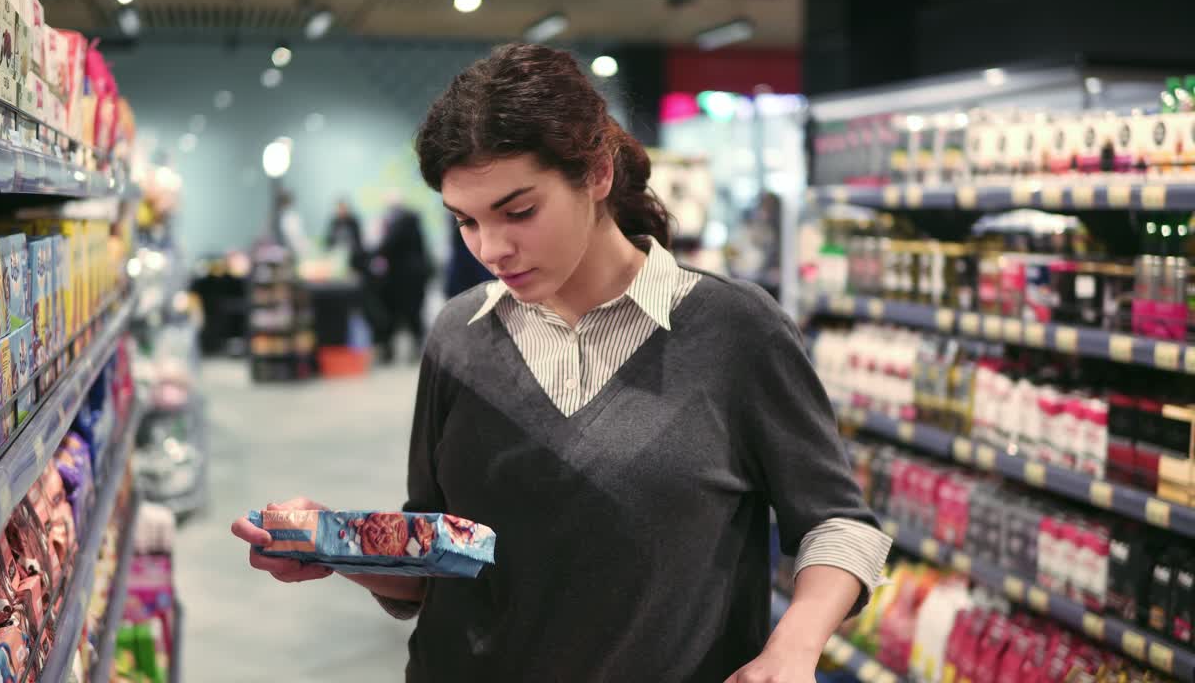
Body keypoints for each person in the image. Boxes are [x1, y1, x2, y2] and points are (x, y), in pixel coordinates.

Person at [232, 43, 891, 683]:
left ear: (597, 174)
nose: (492, 248)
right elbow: (444, 549)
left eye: (519, 212)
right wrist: (337, 542)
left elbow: (839, 525)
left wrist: (794, 647)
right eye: (465, 221)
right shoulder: (459, 335)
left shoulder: (733, 329)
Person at [369, 193, 431, 363]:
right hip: (410, 276)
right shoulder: (411, 220)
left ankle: (415, 349)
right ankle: (415, 348)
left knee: (409, 314)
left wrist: (369, 253)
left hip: (406, 277)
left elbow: (388, 245)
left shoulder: (403, 221)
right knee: (411, 314)